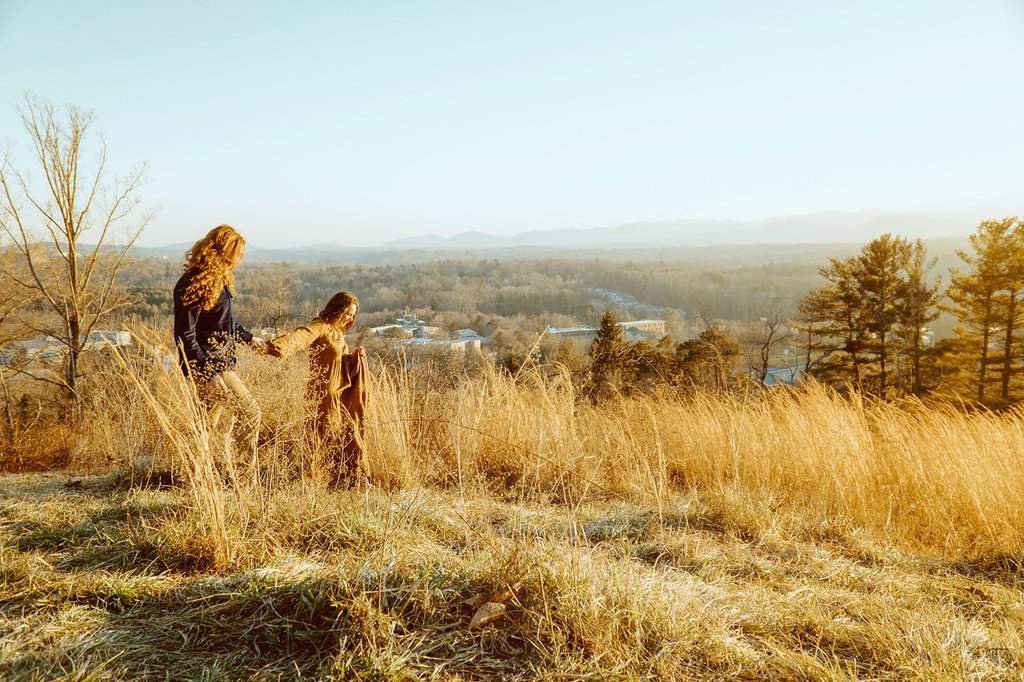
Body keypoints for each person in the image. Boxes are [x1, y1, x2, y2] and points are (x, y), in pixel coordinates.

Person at [173, 224, 266, 473]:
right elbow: (185, 334)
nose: (239, 260)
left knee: (204, 424)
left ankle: (193, 475)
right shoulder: (192, 282)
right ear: (224, 251)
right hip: (209, 364)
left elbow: (224, 322)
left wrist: (248, 338)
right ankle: (244, 476)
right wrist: (209, 374)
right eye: (237, 254)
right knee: (249, 412)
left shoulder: (217, 279)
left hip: (218, 361)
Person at [267, 291, 368, 487]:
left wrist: (354, 356)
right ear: (336, 308)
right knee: (318, 437)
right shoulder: (320, 327)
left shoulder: (337, 333)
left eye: (352, 315)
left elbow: (340, 362)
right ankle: (309, 479)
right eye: (346, 312)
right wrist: (275, 347)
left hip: (337, 393)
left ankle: (338, 478)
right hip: (321, 393)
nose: (349, 318)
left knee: (337, 435)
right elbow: (300, 336)